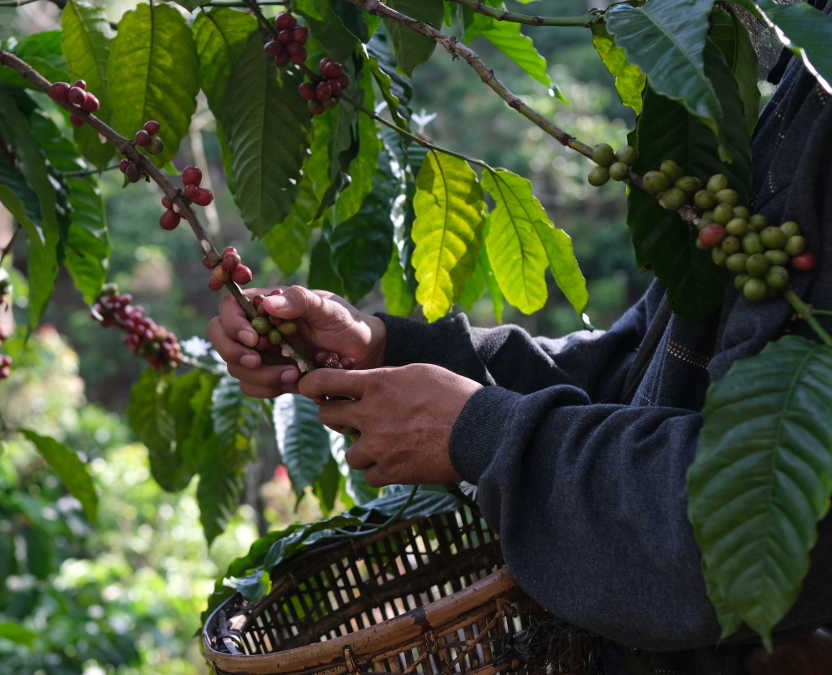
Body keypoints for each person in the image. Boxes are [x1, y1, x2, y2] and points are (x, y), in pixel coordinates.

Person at [207, 22, 832, 675]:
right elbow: (642, 373)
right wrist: (387, 348)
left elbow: (750, 524)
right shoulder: (804, 73)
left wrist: (478, 430)